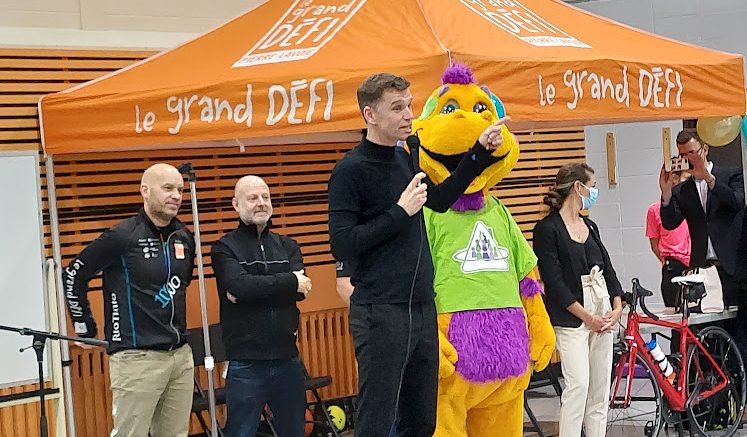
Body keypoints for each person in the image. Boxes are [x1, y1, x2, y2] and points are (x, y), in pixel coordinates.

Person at [327, 72, 506, 436]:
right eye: (397, 107)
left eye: (409, 104)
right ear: (370, 115)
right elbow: (342, 242)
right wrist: (399, 212)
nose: (409, 114)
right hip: (380, 311)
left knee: (421, 421)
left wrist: (478, 153)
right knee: (377, 419)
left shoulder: (405, 158)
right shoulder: (350, 171)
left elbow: (439, 200)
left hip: (422, 308)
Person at [62, 163, 196, 437]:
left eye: (180, 190)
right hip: (137, 358)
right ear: (144, 191)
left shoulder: (184, 237)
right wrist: (83, 323)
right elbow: (73, 274)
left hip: (180, 357)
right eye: (168, 188)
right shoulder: (122, 236)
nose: (176, 196)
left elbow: (182, 285)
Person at [211, 175, 311, 437]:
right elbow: (239, 287)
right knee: (240, 432)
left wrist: (252, 290)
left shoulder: (288, 246)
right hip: (245, 364)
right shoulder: (224, 248)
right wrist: (289, 281)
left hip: (288, 360)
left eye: (265, 197)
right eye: (253, 197)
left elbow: (301, 293)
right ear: (236, 204)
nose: (261, 203)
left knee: (295, 432)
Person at [533, 162, 623, 437]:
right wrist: (588, 318)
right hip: (572, 315)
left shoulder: (590, 225)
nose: (594, 192)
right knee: (578, 385)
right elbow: (555, 283)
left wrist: (617, 307)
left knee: (599, 390)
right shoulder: (547, 229)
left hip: (602, 309)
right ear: (578, 187)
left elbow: (608, 268)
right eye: (593, 187)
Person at [659, 130, 744, 306]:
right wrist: (666, 193)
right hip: (702, 268)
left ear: (705, 149)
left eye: (692, 152)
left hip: (732, 268)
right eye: (683, 154)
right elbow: (669, 223)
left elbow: (736, 202)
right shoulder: (682, 190)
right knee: (706, 328)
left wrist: (708, 178)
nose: (688, 158)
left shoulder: (731, 175)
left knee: (737, 327)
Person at [646, 170, 692, 308]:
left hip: (697, 264)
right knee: (676, 318)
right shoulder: (655, 210)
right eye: (687, 178)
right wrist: (669, 260)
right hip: (673, 265)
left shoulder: (694, 206)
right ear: (674, 179)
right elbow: (654, 244)